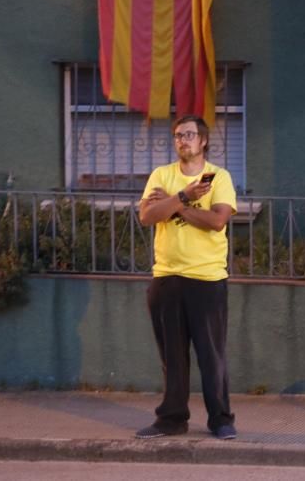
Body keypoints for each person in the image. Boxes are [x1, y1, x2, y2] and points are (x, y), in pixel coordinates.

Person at [135, 115, 238, 440]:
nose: (183, 140)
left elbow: (217, 220)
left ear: (203, 140)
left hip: (207, 279)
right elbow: (148, 215)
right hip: (166, 278)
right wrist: (182, 198)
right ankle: (172, 419)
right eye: (179, 135)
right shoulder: (161, 175)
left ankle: (221, 420)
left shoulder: (218, 177)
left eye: (190, 135)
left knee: (212, 356)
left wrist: (175, 207)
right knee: (173, 357)